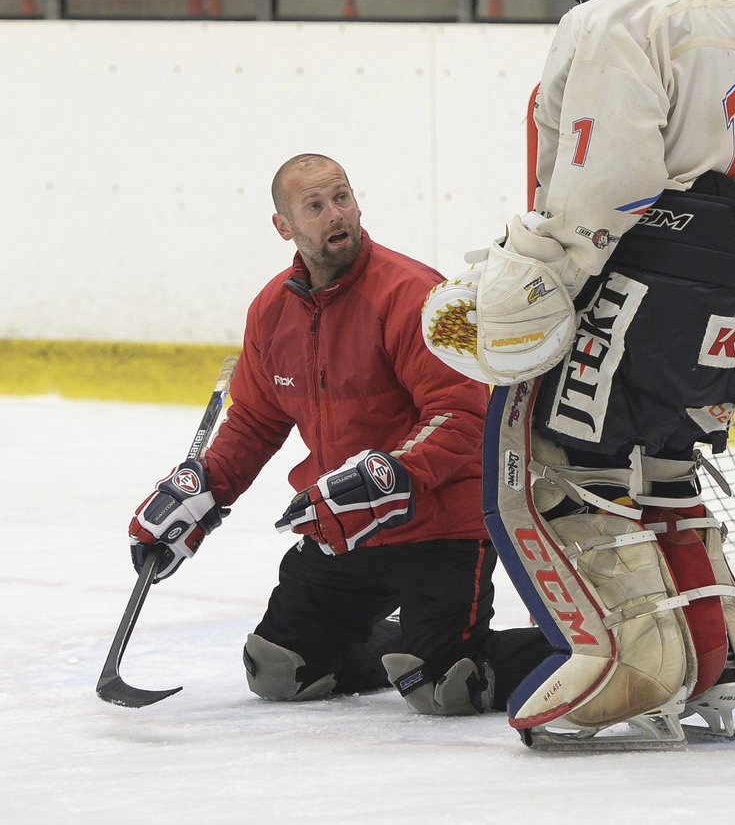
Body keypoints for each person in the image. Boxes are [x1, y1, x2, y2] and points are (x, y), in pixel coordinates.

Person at [422, 0, 735, 748]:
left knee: (544, 455)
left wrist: (541, 273)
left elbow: (609, 184)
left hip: (649, 276)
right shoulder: (731, 11)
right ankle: (716, 662)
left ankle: (629, 662)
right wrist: (707, 231)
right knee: (666, 463)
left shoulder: (601, 23)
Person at [129, 153, 551, 716]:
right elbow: (255, 421)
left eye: (342, 198)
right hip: (347, 526)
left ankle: (598, 653)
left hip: (439, 523)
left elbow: (464, 416)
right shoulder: (272, 310)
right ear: (285, 227)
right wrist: (201, 489)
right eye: (315, 206)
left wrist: (389, 476)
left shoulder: (413, 295)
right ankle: (414, 647)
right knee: (280, 670)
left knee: (446, 686)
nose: (336, 215)